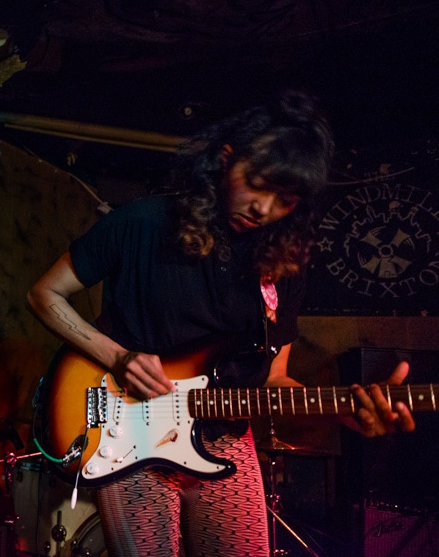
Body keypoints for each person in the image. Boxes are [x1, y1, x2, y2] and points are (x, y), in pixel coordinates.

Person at [26, 90, 415, 557]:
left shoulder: (284, 266)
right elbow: (44, 294)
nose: (265, 209)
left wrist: (341, 411)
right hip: (128, 434)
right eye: (257, 183)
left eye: (285, 199)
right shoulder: (143, 224)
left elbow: (273, 379)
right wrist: (118, 356)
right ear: (226, 161)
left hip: (227, 440)